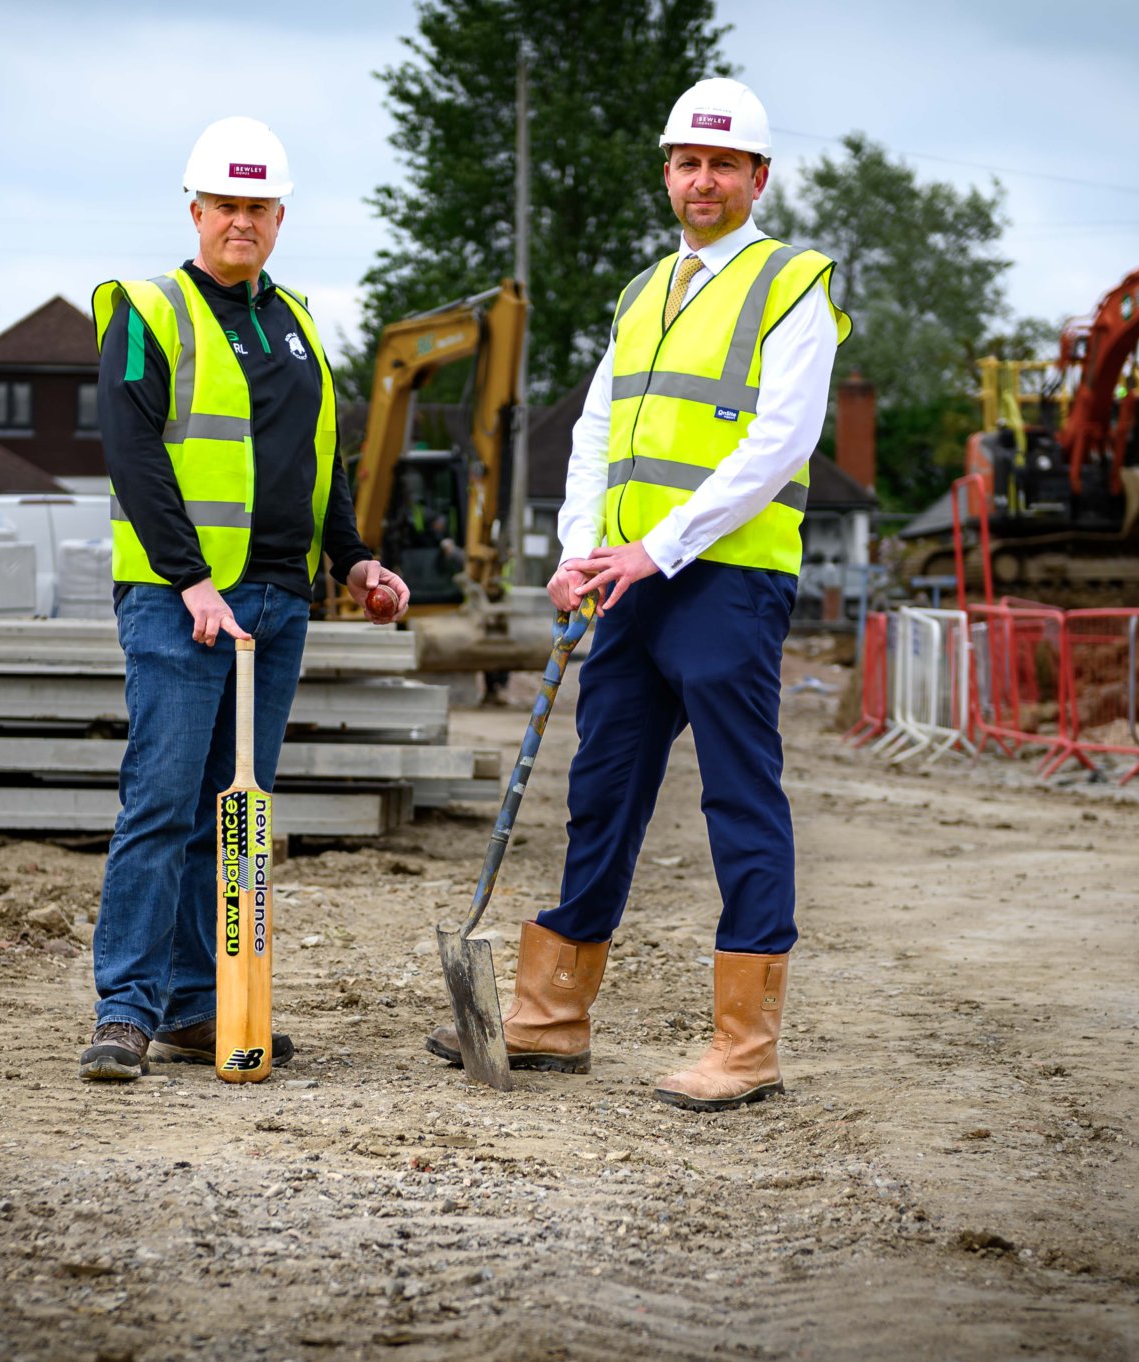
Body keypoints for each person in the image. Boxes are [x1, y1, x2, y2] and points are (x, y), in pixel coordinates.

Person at [425, 78, 850, 1111]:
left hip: (724, 584)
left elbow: (776, 444)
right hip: (623, 585)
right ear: (665, 173)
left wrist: (654, 549)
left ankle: (744, 1048)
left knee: (737, 799)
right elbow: (593, 436)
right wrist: (578, 550)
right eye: (684, 163)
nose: (701, 181)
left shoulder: (794, 283)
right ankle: (549, 1018)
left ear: (756, 177)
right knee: (599, 793)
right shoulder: (639, 292)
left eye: (721, 165)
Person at [82, 117, 409, 1081]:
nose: (241, 221)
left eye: (258, 208)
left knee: (232, 814)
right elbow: (134, 456)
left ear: (279, 216)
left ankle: (196, 1002)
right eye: (225, 205)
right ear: (195, 210)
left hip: (274, 606)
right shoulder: (149, 312)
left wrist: (352, 561)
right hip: (181, 604)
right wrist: (191, 580)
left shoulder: (297, 322)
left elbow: (324, 464)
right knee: (160, 803)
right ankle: (124, 1009)